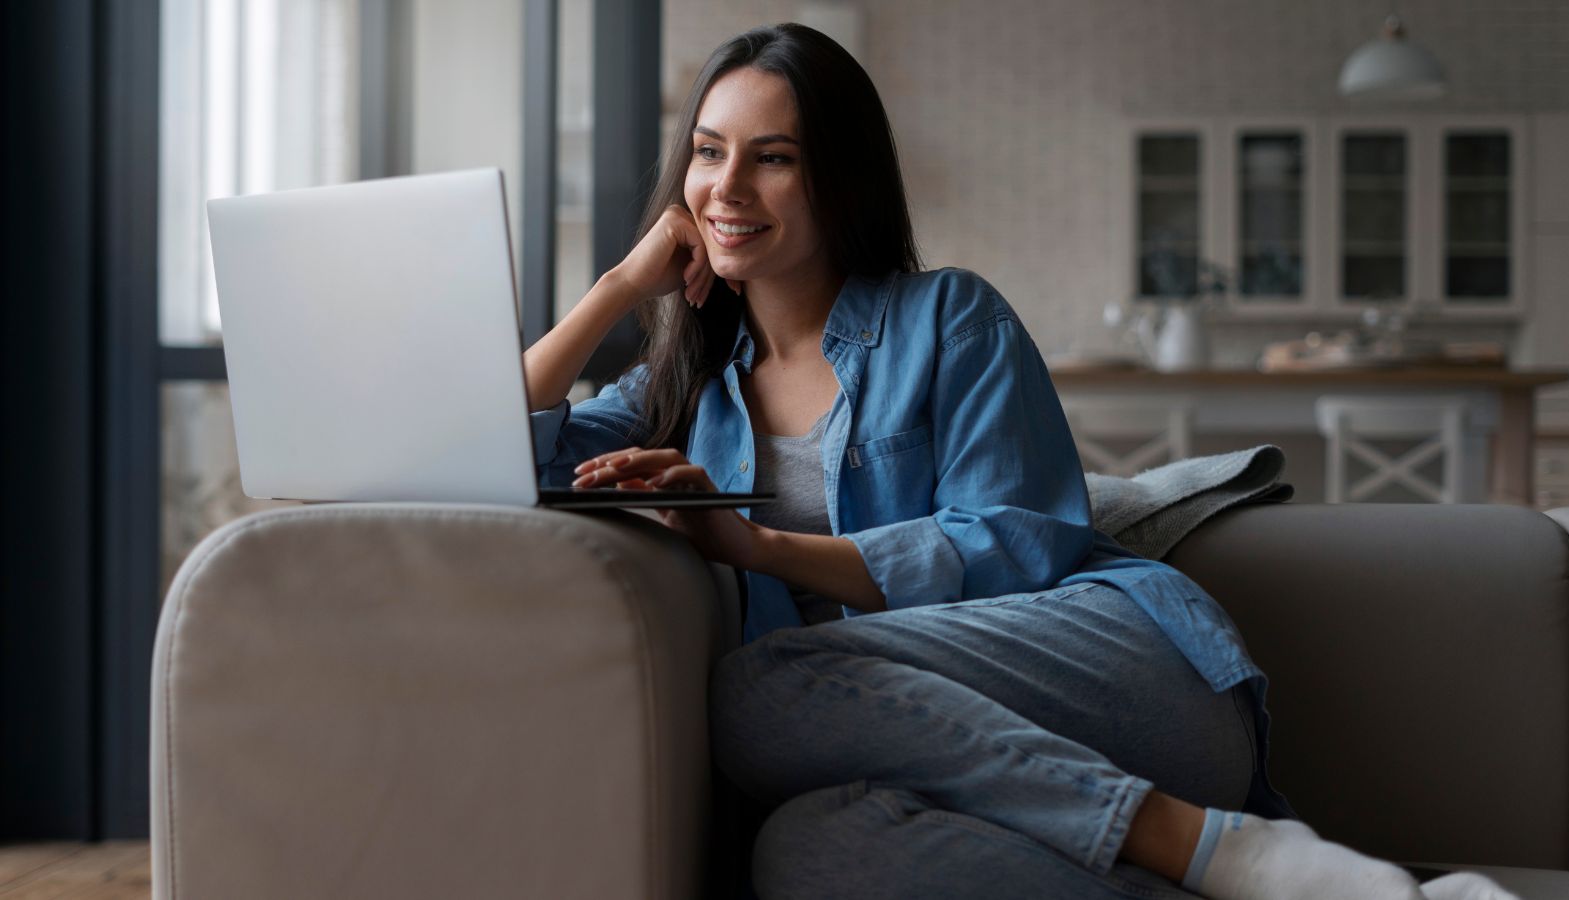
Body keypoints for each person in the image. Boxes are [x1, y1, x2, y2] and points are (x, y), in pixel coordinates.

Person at [520, 22, 1518, 900]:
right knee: (808, 852)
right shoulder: (683, 388)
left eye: (772, 157)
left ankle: (1211, 841)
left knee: (756, 689)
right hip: (915, 744)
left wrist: (760, 547)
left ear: (839, 179)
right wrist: (617, 289)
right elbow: (501, 446)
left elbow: (1013, 544)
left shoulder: (948, 316)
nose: (727, 187)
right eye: (708, 152)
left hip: (1116, 680)